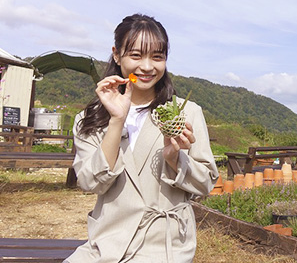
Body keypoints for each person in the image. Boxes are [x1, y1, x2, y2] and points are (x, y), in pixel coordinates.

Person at [65, 14, 219, 263]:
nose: (147, 67)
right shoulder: (90, 117)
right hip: (106, 243)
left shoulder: (186, 112)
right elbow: (90, 183)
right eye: (136, 55)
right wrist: (116, 120)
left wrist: (175, 159)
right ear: (116, 54)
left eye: (157, 57)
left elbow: (205, 184)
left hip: (164, 246)